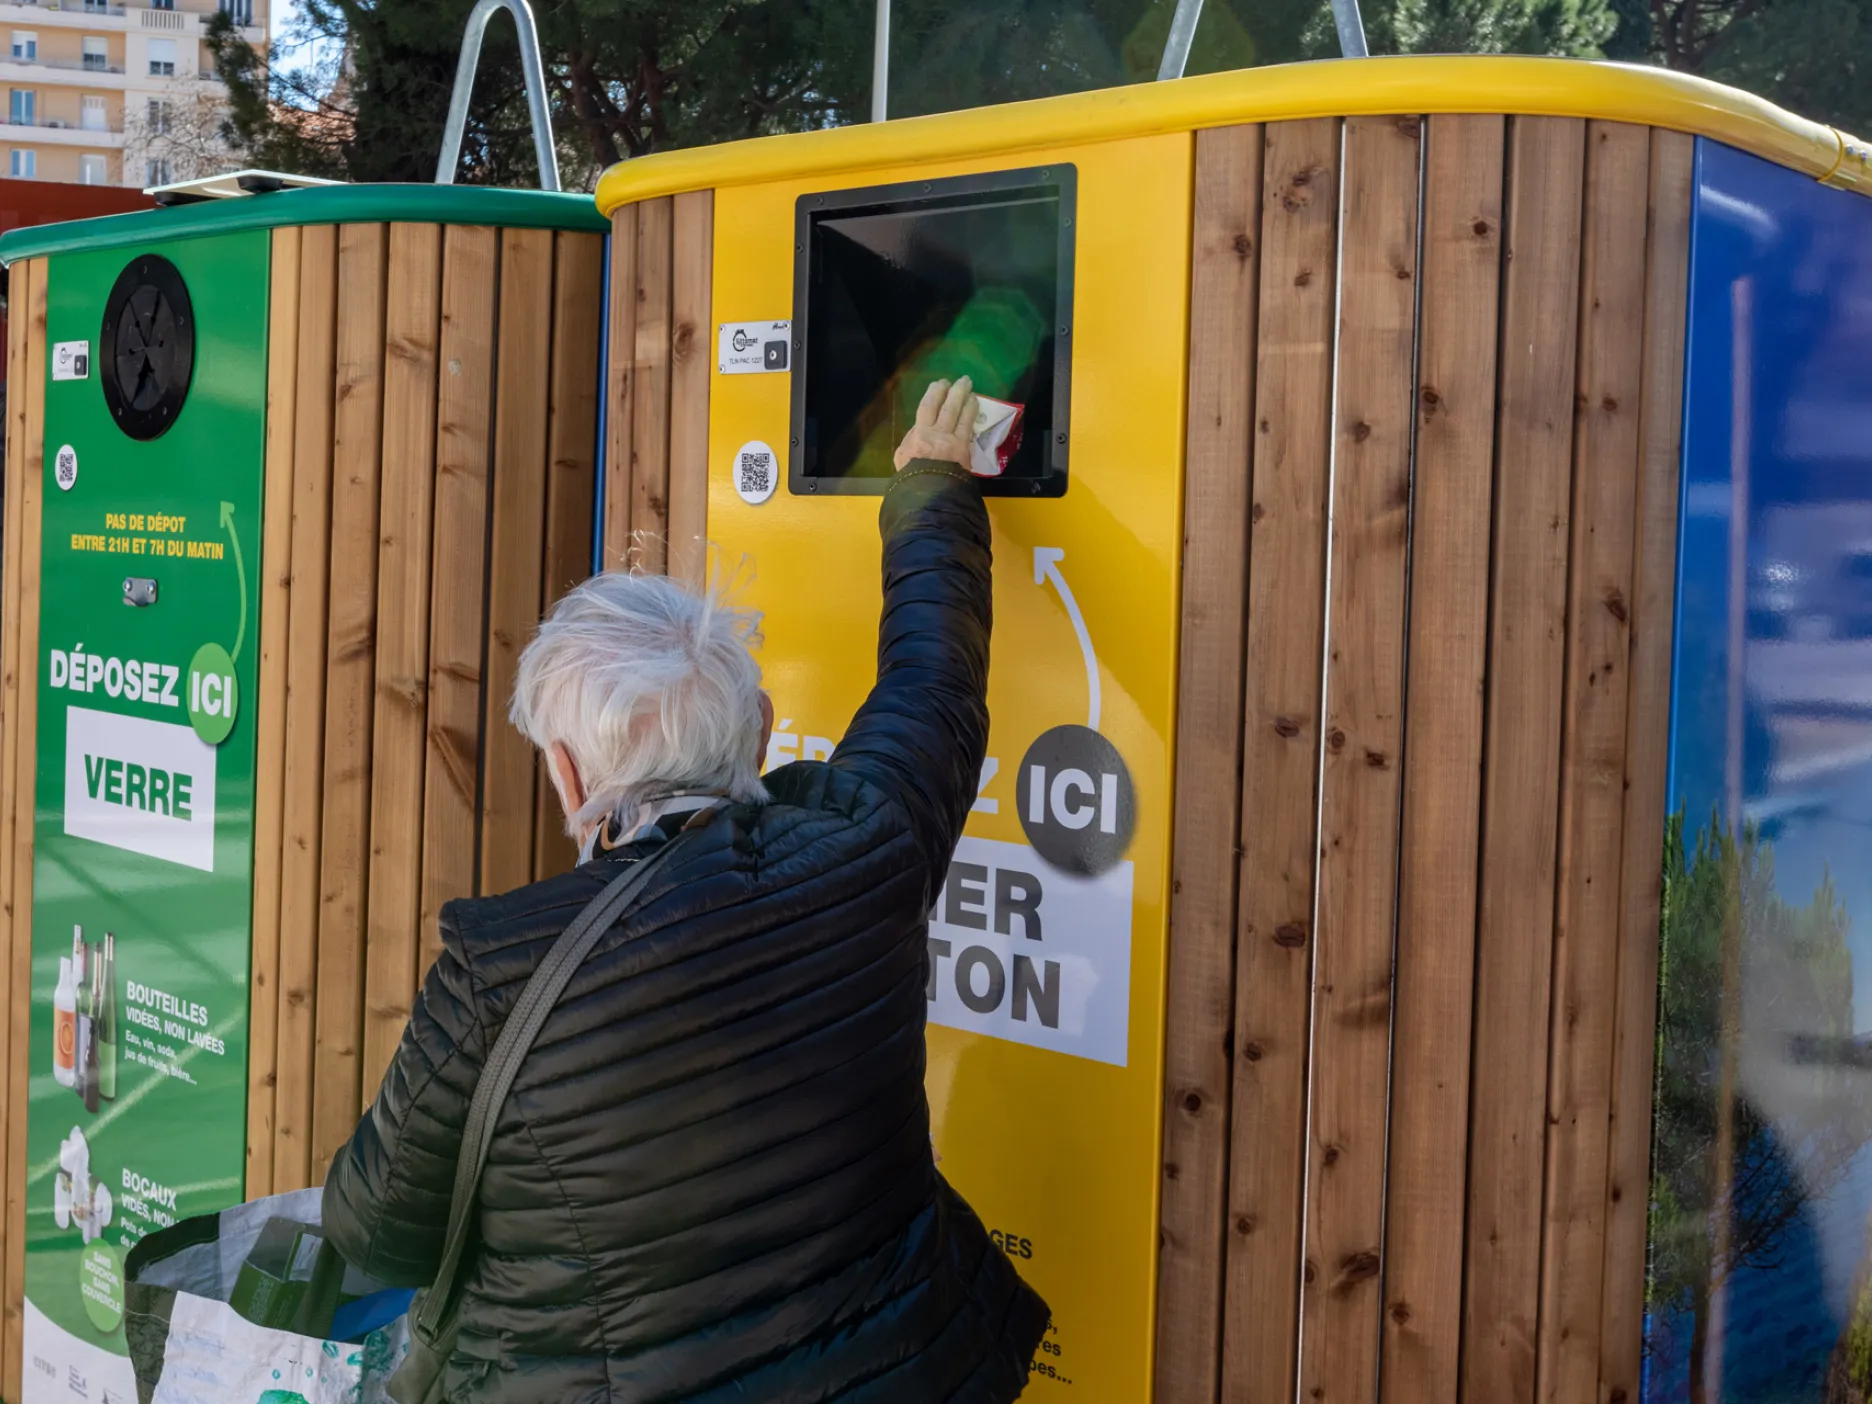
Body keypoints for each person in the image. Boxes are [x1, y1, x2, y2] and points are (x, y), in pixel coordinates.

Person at [323, 376, 1049, 1402]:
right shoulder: (865, 848)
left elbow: (371, 1224)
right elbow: (933, 682)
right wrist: (933, 481)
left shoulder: (500, 968)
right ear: (755, 737)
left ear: (569, 778)